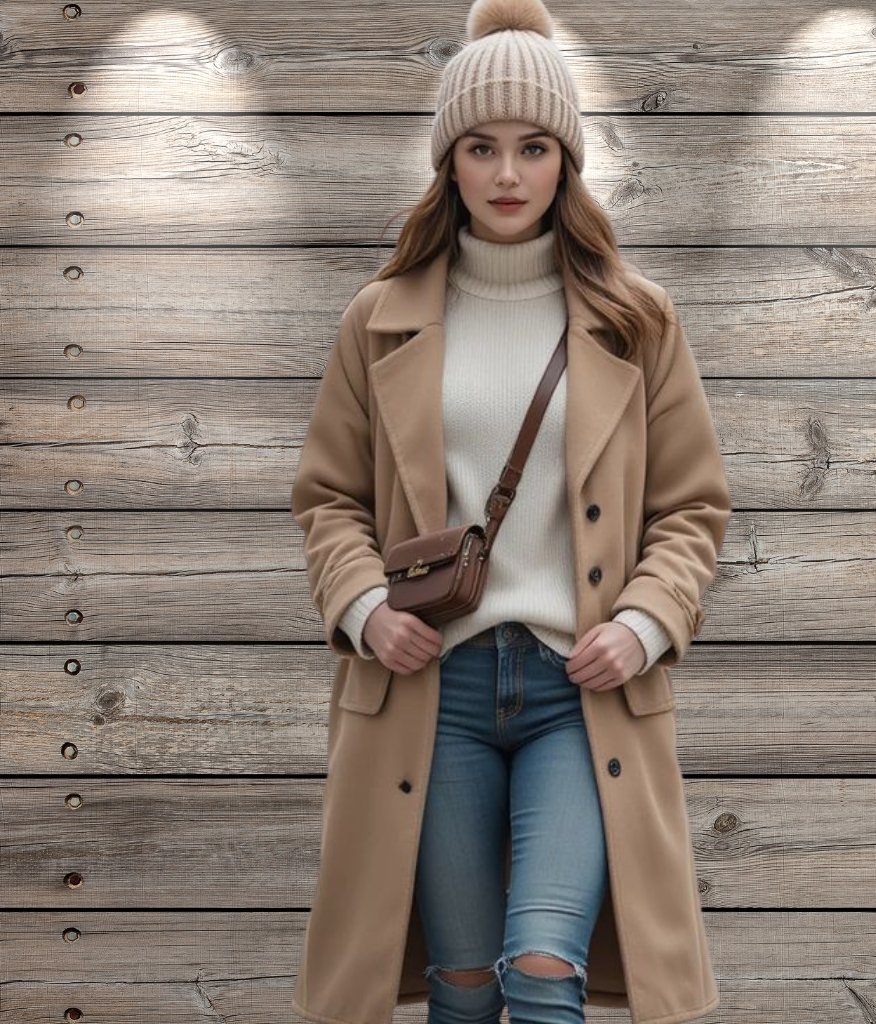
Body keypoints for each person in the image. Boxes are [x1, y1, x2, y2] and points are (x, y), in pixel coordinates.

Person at [289, 1, 731, 1022]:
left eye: (533, 147)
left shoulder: (636, 317)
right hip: (427, 689)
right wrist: (366, 608)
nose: (505, 174)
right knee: (460, 980)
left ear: (564, 162)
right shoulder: (383, 316)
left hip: (578, 690)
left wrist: (643, 622)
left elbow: (691, 506)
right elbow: (328, 497)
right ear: (448, 161)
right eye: (480, 147)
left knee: (541, 970)